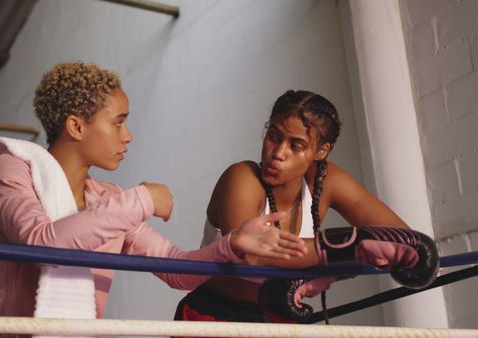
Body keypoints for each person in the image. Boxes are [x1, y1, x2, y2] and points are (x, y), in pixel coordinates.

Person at [0, 62, 308, 336]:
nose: (128, 135)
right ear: (76, 126)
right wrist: (142, 200)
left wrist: (231, 245)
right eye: (118, 122)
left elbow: (175, 268)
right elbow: (42, 242)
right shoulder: (9, 169)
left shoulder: (108, 198)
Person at [174, 90, 434, 327]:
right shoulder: (242, 177)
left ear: (321, 151)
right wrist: (350, 249)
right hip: (214, 317)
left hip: (279, 320)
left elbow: (403, 240)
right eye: (273, 136)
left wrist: (359, 252)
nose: (278, 153)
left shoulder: (325, 180)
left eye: (295, 145)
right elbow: (251, 255)